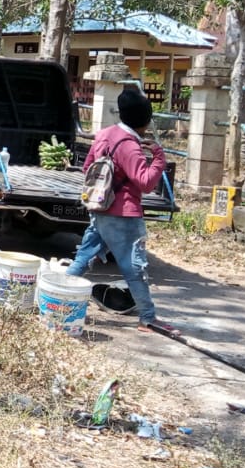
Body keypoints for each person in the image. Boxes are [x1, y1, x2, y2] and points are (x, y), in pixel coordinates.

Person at [66, 87, 175, 333]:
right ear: (146, 119)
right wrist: (159, 159)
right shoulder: (130, 145)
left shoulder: (104, 135)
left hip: (99, 207)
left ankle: (59, 300)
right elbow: (146, 182)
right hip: (123, 215)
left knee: (83, 259)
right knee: (134, 268)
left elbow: (87, 168)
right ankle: (148, 317)